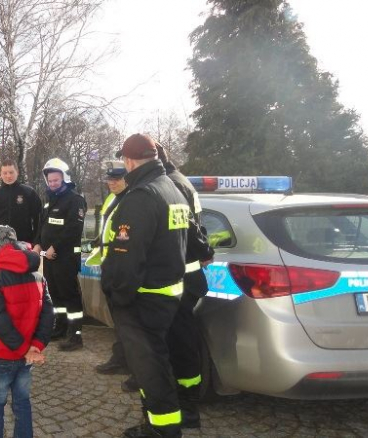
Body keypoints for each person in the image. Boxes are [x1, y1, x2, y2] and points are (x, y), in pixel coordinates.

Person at [102, 134, 189, 438]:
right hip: (165, 294)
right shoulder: (172, 189)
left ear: (128, 160)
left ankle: (163, 430)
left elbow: (127, 258)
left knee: (150, 371)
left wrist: (118, 295)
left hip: (143, 300)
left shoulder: (141, 196)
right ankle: (155, 424)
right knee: (155, 364)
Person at [158, 144, 214, 429]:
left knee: (181, 344)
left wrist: (205, 251)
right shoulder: (180, 181)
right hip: (186, 275)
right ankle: (183, 401)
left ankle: (188, 407)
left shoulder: (170, 185)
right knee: (180, 342)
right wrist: (205, 252)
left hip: (181, 278)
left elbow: (188, 230)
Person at [0, 225, 54, 438]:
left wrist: (24, 350)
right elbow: (48, 314)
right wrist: (36, 346)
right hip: (27, 355)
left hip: (1, 355)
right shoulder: (38, 276)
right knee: (22, 402)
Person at [32, 158, 87, 351]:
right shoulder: (49, 202)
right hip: (48, 258)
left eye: (56, 180)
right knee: (54, 294)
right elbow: (42, 226)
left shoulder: (75, 200)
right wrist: (38, 243)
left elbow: (73, 229)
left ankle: (76, 335)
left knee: (69, 295)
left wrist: (55, 246)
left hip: (65, 258)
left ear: (64, 178)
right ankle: (61, 327)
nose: (53, 183)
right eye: (50, 180)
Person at [91, 161, 135, 382]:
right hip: (110, 264)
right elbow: (108, 226)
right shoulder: (112, 198)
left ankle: (132, 365)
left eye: (116, 179)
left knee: (128, 321)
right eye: (109, 179)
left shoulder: (132, 199)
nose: (112, 183)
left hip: (121, 266)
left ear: (127, 179)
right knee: (119, 318)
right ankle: (120, 358)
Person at [0, 159, 42, 245]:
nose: (8, 176)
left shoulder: (29, 193)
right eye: (5, 173)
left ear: (17, 172)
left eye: (11, 172)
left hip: (24, 243)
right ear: (1, 174)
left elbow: (38, 219)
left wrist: (37, 242)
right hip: (0, 245)